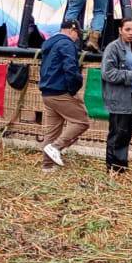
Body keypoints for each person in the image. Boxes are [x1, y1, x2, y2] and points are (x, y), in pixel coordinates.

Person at [37, 19, 87, 169]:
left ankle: (47, 166)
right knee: (82, 121)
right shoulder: (66, 44)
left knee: (52, 130)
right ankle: (56, 147)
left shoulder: (49, 43)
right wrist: (74, 88)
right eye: (77, 34)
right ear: (72, 30)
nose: (77, 38)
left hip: (47, 93)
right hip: (60, 91)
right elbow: (70, 68)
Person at [99, 18, 132, 174]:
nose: (131, 33)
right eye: (128, 29)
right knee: (118, 132)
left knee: (126, 133)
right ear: (120, 30)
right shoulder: (113, 48)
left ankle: (121, 165)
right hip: (120, 96)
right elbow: (107, 73)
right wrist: (131, 75)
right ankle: (112, 166)